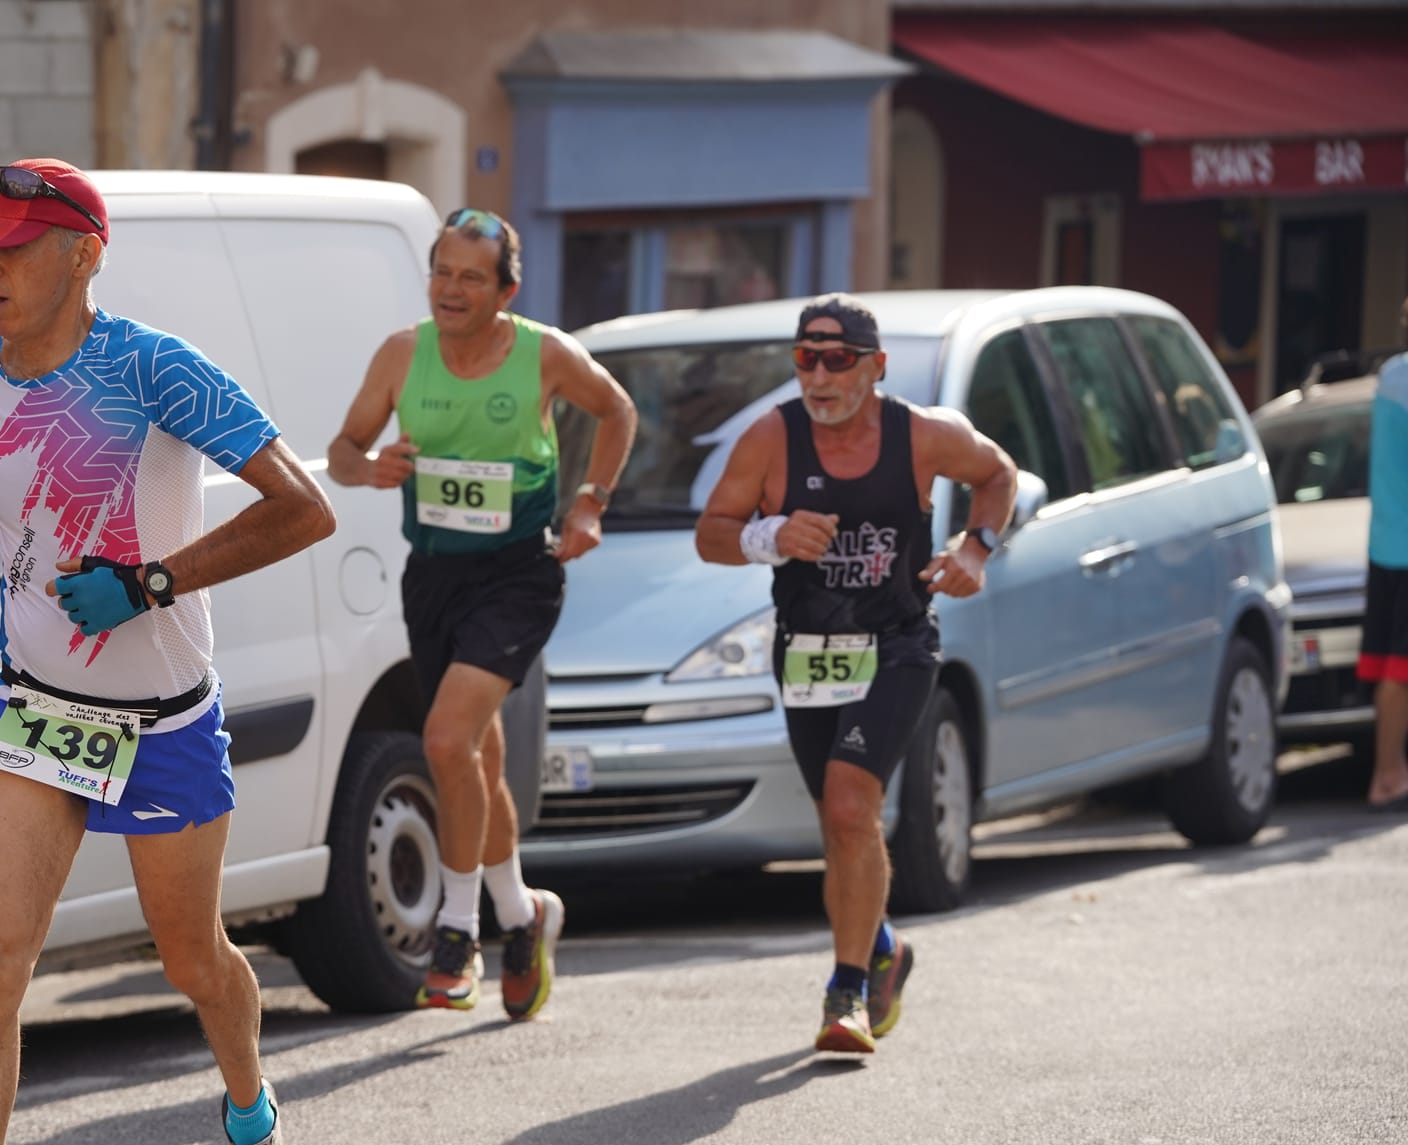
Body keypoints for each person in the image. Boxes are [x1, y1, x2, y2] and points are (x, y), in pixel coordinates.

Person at [0, 160, 335, 1145]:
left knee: (194, 960)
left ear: (83, 253)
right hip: (37, 709)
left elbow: (304, 508)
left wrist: (152, 580)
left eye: (12, 245)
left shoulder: (151, 367)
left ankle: (248, 1116)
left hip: (164, 722)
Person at [326, 207, 635, 1018]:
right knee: (477, 760)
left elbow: (617, 411)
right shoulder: (402, 353)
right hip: (434, 574)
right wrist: (374, 466)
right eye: (441, 273)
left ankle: (456, 936)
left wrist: (591, 504)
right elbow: (342, 451)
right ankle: (524, 911)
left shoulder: (544, 353)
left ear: (507, 290)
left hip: (518, 573)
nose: (451, 291)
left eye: (470, 277)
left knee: (443, 741)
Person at [694, 295, 1017, 1055]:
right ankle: (882, 947)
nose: (820, 376)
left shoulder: (922, 434)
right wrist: (769, 534)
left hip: (898, 643)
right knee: (840, 824)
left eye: (838, 360)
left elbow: (997, 474)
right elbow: (711, 533)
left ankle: (846, 993)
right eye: (806, 358)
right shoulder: (771, 439)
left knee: (849, 801)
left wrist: (975, 549)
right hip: (808, 649)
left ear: (875, 367)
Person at [1362, 300, 1408, 813]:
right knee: (1400, 669)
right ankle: (1388, 773)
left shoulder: (1390, 377)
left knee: (1396, 668)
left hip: (1387, 542)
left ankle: (1389, 771)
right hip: (1403, 546)